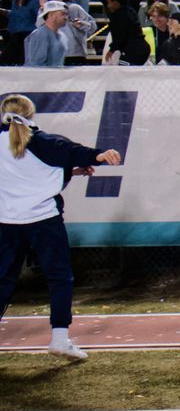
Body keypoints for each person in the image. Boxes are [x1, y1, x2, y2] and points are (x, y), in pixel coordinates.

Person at [0, 93, 123, 360]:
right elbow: (67, 152)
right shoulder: (39, 140)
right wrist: (98, 156)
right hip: (44, 221)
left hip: (7, 223)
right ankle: (59, 339)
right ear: (30, 114)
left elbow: (30, 168)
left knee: (4, 280)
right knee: (59, 278)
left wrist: (71, 170)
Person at [46, 0, 94, 66]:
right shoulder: (45, 10)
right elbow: (40, 27)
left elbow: (93, 26)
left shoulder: (74, 8)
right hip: (54, 54)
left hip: (75, 54)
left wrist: (81, 25)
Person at [101, 0, 150, 66]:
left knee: (123, 73)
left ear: (116, 3)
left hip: (133, 50)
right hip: (144, 48)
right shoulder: (131, 11)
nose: (108, 6)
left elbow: (119, 36)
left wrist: (111, 50)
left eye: (109, 3)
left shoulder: (117, 16)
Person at [1, 0, 39, 65]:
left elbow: (39, 18)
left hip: (28, 36)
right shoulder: (15, 1)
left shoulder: (34, 0)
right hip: (15, 34)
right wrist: (3, 11)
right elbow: (15, 14)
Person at [23, 1, 68, 68]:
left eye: (67, 14)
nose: (66, 17)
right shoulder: (40, 35)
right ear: (51, 15)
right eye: (63, 14)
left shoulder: (63, 36)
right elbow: (35, 65)